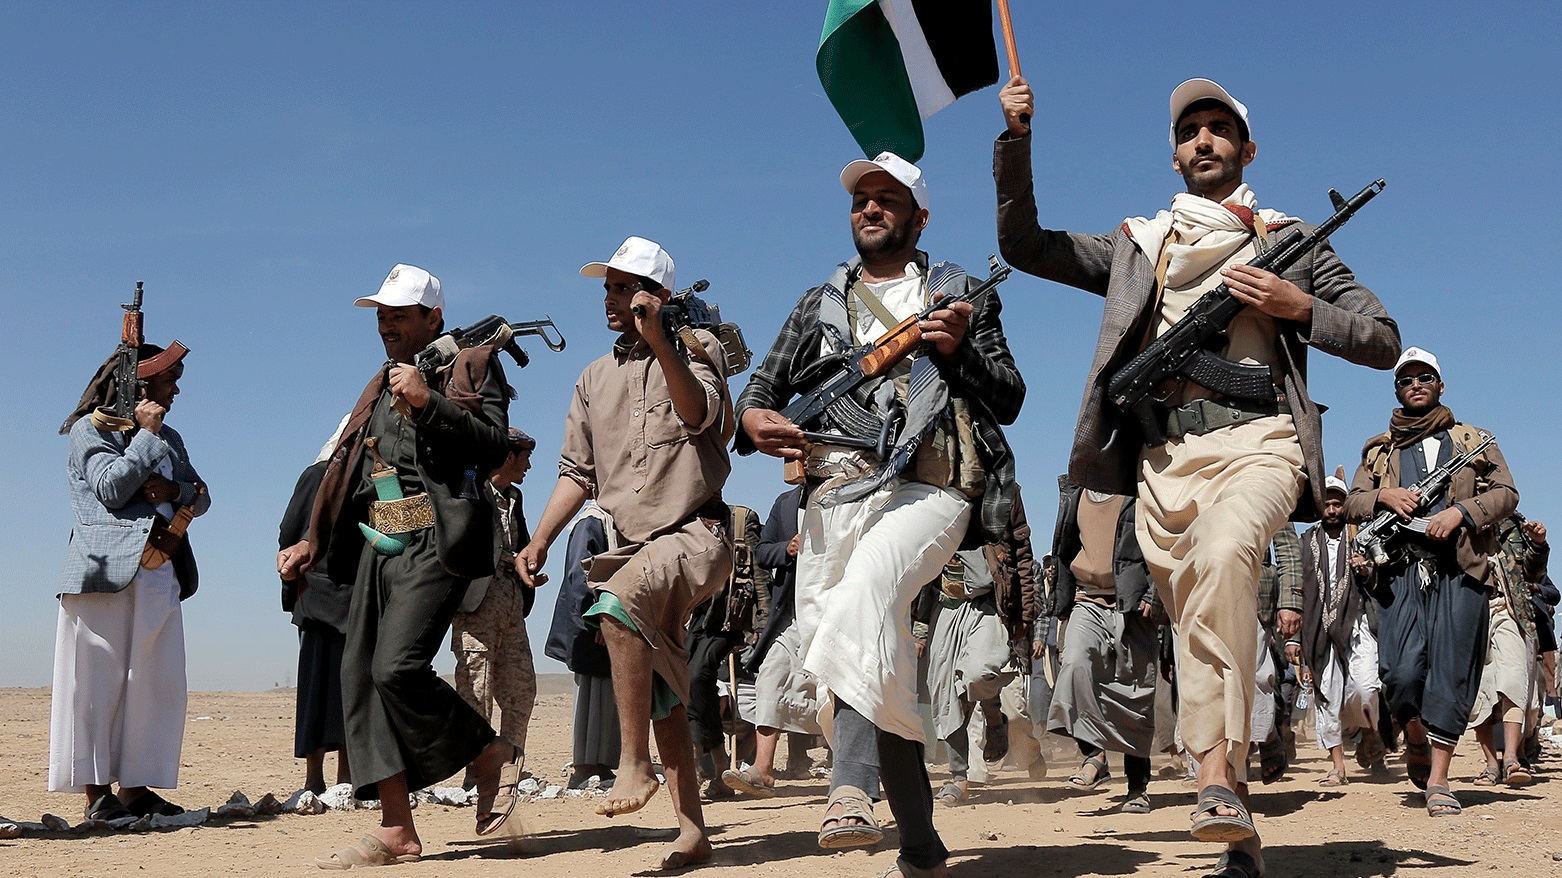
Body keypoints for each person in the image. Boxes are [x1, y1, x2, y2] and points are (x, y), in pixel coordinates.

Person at [995, 76, 1400, 878]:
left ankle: (1213, 775)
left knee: (1222, 561)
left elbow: (1382, 338)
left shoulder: (1292, 237)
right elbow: (1024, 245)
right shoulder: (1141, 246)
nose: (1204, 141)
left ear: (1247, 150)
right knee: (1200, 634)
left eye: (1220, 129)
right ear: (1175, 153)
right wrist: (1018, 141)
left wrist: (1295, 305)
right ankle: (1237, 834)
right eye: (1190, 132)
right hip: (1161, 463)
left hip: (1262, 443)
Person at [737, 152, 1024, 878]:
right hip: (834, 497)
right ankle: (922, 848)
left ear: (919, 215)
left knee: (866, 592)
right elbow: (759, 393)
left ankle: (849, 788)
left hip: (931, 491)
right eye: (861, 199)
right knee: (872, 666)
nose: (870, 208)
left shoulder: (960, 292)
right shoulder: (817, 304)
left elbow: (1011, 396)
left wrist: (958, 356)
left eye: (887, 198)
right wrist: (755, 421)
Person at [276, 263, 517, 867]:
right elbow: (347, 470)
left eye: (398, 314)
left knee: (397, 667)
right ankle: (397, 830)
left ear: (432, 316)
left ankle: (487, 755)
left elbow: (493, 445)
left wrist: (429, 402)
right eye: (381, 314)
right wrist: (313, 538)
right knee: (359, 675)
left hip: (438, 539)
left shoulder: (471, 365)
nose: (385, 324)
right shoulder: (377, 386)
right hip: (382, 544)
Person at [516, 236, 733, 870]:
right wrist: (539, 540)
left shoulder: (698, 351)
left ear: (658, 295)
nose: (612, 299)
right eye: (607, 288)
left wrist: (663, 339)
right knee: (663, 686)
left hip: (697, 535)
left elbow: (702, 420)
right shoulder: (592, 378)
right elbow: (576, 473)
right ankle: (693, 832)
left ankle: (631, 762)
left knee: (615, 605)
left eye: (625, 287)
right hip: (631, 545)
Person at [1346, 346, 1518, 818]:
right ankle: (1412, 732)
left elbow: (1506, 493)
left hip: (1461, 571)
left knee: (1452, 672)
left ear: (1441, 386)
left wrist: (1461, 512)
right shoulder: (1379, 451)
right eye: (1406, 379)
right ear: (1397, 389)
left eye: (1425, 378)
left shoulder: (1472, 440)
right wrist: (1384, 495)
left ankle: (1439, 780)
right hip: (1401, 571)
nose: (1416, 384)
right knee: (1399, 673)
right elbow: (1351, 503)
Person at [52, 340, 208, 821]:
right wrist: (143, 436)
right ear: (140, 385)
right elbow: (112, 488)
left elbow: (200, 496)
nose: (177, 389)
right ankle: (97, 795)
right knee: (96, 684)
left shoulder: (171, 437)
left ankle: (135, 791)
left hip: (160, 569)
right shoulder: (87, 431)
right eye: (170, 379)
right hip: (102, 575)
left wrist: (173, 489)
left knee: (153, 682)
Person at [1047, 482, 1163, 813]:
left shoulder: (1140, 488)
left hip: (1131, 603)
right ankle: (1094, 755)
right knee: (1075, 665)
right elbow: (1063, 548)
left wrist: (1153, 594)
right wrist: (1061, 601)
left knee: (1135, 693)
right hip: (1086, 600)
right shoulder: (1072, 492)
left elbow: (1162, 538)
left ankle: (1137, 787)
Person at [450, 427, 538, 786]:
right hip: (477, 610)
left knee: (521, 689)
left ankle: (509, 768)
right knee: (476, 690)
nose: (529, 465)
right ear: (507, 457)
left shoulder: (513, 498)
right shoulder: (471, 491)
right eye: (524, 457)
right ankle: (476, 772)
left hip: (511, 610)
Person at [723, 486, 823, 798]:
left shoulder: (850, 497)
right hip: (792, 613)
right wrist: (787, 549)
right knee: (772, 675)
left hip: (835, 612)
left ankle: (855, 771)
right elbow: (762, 553)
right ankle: (762, 769)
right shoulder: (786, 503)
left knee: (838, 690)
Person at [1289, 471, 1382, 786]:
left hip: (1357, 624)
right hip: (1318, 629)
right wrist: (1293, 638)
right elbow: (1295, 589)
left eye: (1337, 504)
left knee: (1367, 688)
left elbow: (1380, 581)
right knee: (1327, 694)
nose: (1331, 510)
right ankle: (1338, 767)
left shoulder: (1363, 538)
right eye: (1326, 504)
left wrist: (1366, 570)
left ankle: (1367, 729)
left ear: (1346, 506)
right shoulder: (1305, 542)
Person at [280, 422, 353, 795]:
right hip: (319, 597)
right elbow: (290, 531)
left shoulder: (370, 476)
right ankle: (315, 778)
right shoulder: (316, 475)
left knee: (350, 687)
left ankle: (345, 777)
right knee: (317, 687)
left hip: (354, 599)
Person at [917, 549, 1017, 806]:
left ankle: (994, 716)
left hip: (987, 607)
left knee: (978, 674)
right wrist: (920, 628)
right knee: (947, 695)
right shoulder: (934, 515)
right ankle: (959, 778)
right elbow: (919, 570)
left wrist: (1024, 618)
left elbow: (1021, 559)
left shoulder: (994, 511)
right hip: (944, 610)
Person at [686, 502, 768, 798]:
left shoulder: (741, 519)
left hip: (728, 619)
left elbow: (758, 571)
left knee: (697, 677)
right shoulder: (683, 518)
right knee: (694, 686)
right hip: (690, 616)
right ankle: (720, 768)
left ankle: (697, 767)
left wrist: (763, 621)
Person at [543, 501, 622, 788]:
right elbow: (581, 577)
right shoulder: (592, 522)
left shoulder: (612, 521)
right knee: (592, 692)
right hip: (592, 621)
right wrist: (599, 618)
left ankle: (601, 766)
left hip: (609, 619)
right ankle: (584, 767)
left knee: (610, 691)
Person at [1469, 514, 1547, 785]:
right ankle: (1491, 764)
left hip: (1511, 612)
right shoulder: (1455, 518)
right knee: (1479, 689)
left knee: (1514, 679)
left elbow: (1532, 571)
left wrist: (1537, 544)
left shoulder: (1512, 524)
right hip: (1470, 614)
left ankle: (1512, 758)